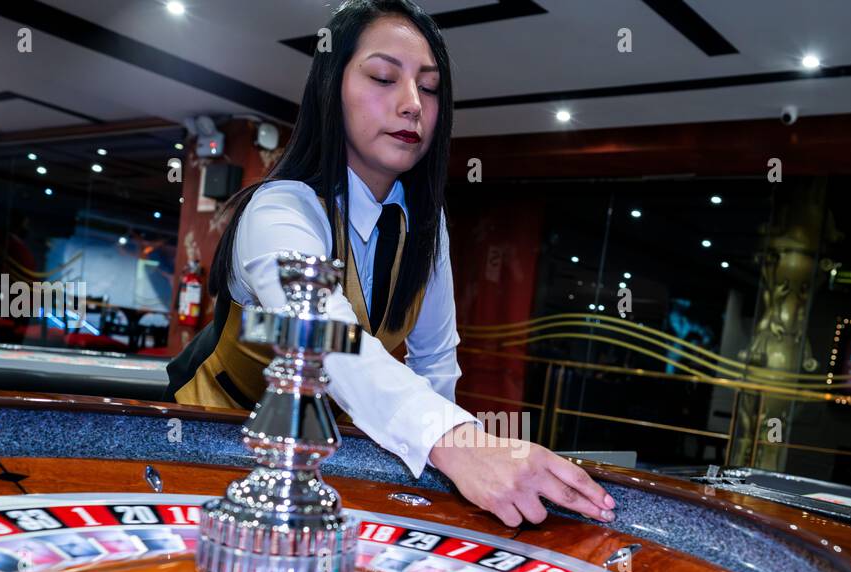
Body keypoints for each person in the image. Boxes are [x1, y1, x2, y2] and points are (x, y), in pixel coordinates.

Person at [166, 0, 614, 527]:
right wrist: (460, 444)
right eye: (383, 77)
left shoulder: (427, 224)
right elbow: (330, 342)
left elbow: (435, 363)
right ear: (331, 91)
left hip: (326, 457)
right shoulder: (279, 209)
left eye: (428, 88)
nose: (412, 105)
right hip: (210, 449)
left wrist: (443, 477)